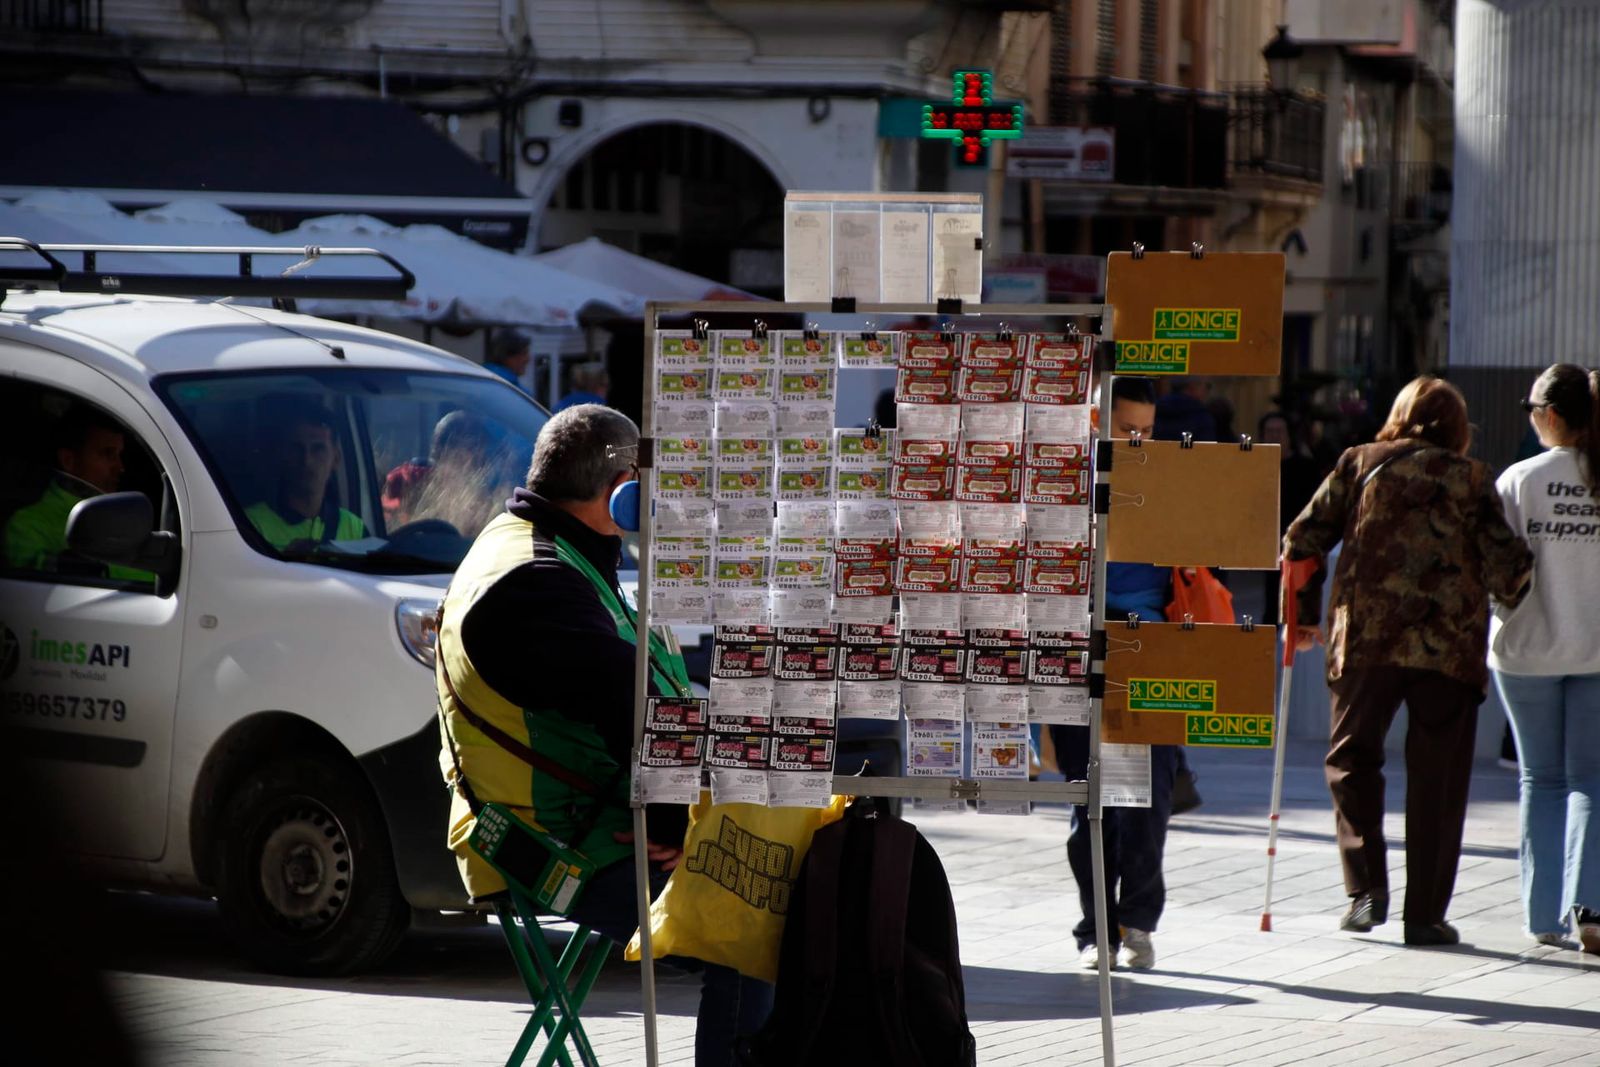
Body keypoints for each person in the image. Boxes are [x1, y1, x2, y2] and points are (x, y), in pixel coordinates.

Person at [435, 405, 770, 1063]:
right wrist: (674, 821)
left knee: (780, 889)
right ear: (621, 487)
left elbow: (626, 689)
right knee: (755, 924)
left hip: (575, 825)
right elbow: (627, 697)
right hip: (551, 847)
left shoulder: (551, 550)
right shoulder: (537, 579)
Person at [1283, 376, 1533, 947]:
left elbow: (1300, 539)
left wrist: (1304, 618)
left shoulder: (1358, 462)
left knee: (1351, 760)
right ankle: (1423, 916)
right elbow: (1507, 569)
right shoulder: (1471, 478)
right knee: (1437, 779)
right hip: (1447, 646)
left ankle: (1366, 891)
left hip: (1366, 639)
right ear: (1458, 427)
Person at [1050, 376, 1181, 972]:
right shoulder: (1068, 482)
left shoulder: (1166, 480)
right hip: (1081, 653)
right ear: (1097, 420)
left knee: (1146, 804)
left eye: (1147, 431)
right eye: (1127, 429)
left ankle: (1137, 922)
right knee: (1089, 804)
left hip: (1150, 655)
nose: (1138, 441)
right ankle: (1097, 927)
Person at [1489, 364, 1600, 954]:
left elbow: (1493, 567)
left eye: (1533, 409)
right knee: (1591, 778)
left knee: (1542, 779)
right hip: (1596, 650)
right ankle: (1589, 907)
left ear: (1551, 416)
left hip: (1526, 650)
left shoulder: (1520, 480)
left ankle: (1541, 915)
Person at [3, 407, 152, 582]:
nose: (120, 467)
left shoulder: (116, 516)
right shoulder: (26, 525)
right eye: (107, 454)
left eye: (119, 455)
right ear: (69, 461)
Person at [245, 406, 366, 549]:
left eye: (318, 449)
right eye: (296, 449)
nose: (306, 460)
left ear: (336, 459)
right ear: (282, 456)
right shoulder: (250, 524)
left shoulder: (355, 528)